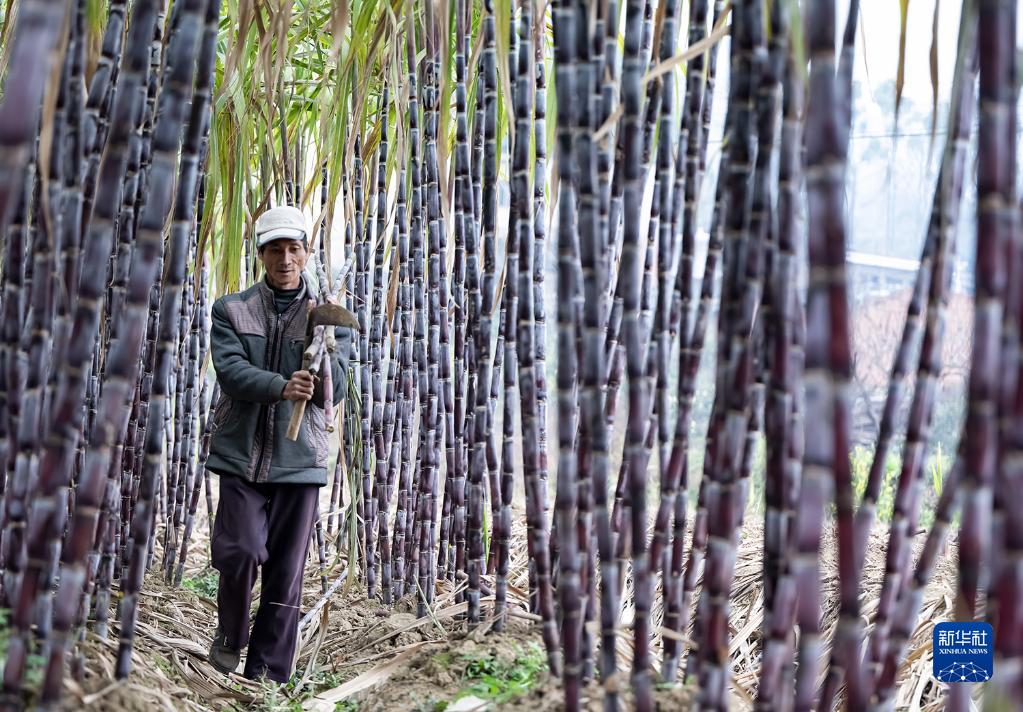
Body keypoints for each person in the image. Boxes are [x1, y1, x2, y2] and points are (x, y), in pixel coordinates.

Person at [205, 204, 352, 683]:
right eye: (274, 250)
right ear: (261, 254)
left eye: (293, 249)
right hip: (241, 454)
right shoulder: (231, 309)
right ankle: (231, 634)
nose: (284, 259)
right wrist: (281, 386)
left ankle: (267, 674)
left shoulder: (327, 316)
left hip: (300, 458)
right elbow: (231, 372)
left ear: (306, 253)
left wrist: (323, 356)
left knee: (286, 572)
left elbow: (338, 389)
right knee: (240, 549)